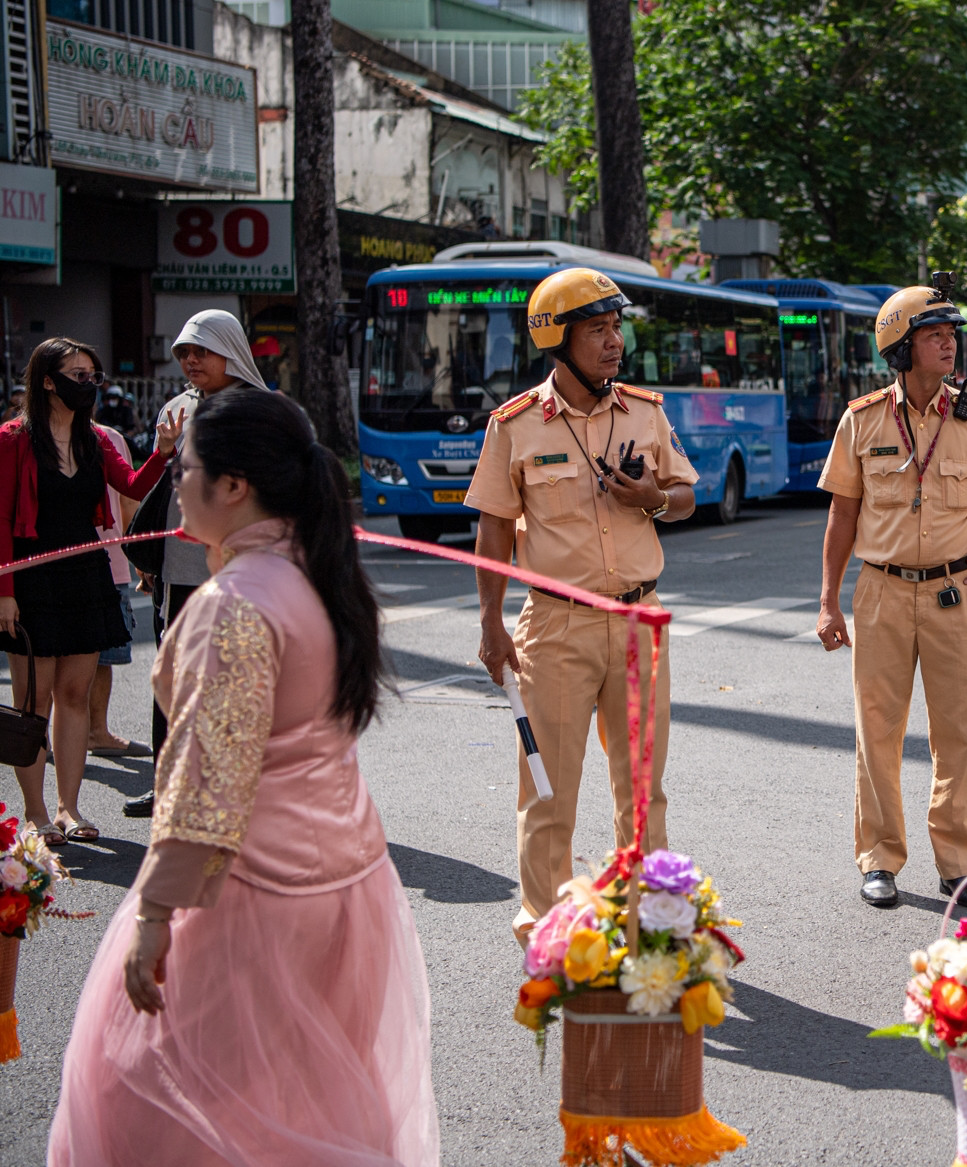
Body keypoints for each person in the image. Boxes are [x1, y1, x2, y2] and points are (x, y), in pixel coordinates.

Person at [48, 388, 438, 1165]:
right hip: (341, 876)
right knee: (295, 1096)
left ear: (233, 486)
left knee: (170, 1107)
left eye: (184, 469)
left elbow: (205, 776)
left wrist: (155, 913)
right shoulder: (315, 574)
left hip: (249, 891)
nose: (175, 485)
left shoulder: (236, 604)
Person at [466, 267, 698, 943]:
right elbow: (490, 529)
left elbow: (684, 497)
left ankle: (649, 926)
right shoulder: (513, 427)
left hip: (637, 621)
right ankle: (548, 930)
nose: (614, 342)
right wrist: (489, 625)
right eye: (597, 329)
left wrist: (649, 497)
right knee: (547, 788)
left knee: (643, 790)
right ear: (557, 338)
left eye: (616, 327)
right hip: (554, 625)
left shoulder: (645, 412)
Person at [816, 278, 967, 911]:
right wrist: (829, 600)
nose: (949, 346)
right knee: (878, 730)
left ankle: (960, 868)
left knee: (958, 735)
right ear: (901, 348)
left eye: (951, 336)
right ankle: (880, 859)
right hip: (882, 592)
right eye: (934, 336)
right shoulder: (861, 421)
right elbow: (841, 515)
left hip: (955, 592)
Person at [0, 339, 177, 844]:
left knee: (75, 695)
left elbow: (133, 487)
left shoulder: (96, 439)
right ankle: (34, 813)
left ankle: (68, 809)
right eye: (77, 374)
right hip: (30, 577)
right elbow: (0, 518)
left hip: (85, 575)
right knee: (33, 703)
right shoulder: (12, 439)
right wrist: (4, 591)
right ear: (47, 381)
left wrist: (162, 455)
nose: (89, 384)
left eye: (93, 375)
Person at [124, 310, 267, 819]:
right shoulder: (176, 408)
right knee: (172, 678)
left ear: (230, 350)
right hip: (179, 572)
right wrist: (153, 559)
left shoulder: (263, 412)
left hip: (240, 576)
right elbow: (155, 486)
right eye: (183, 352)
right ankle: (168, 784)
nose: (189, 360)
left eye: (200, 350)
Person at [89, 422, 142, 754]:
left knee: (104, 657)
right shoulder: (32, 435)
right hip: (55, 561)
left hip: (112, 559)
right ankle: (39, 736)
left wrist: (136, 554)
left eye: (91, 376)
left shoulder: (110, 438)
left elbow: (128, 500)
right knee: (51, 656)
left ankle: (98, 731)